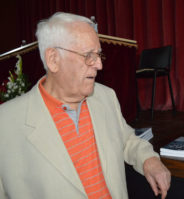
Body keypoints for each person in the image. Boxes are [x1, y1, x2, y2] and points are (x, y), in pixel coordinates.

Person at [0, 12, 170, 199]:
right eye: (88, 55)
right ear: (53, 59)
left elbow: (126, 138)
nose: (99, 65)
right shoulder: (6, 123)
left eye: (98, 55)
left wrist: (148, 159)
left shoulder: (105, 97)